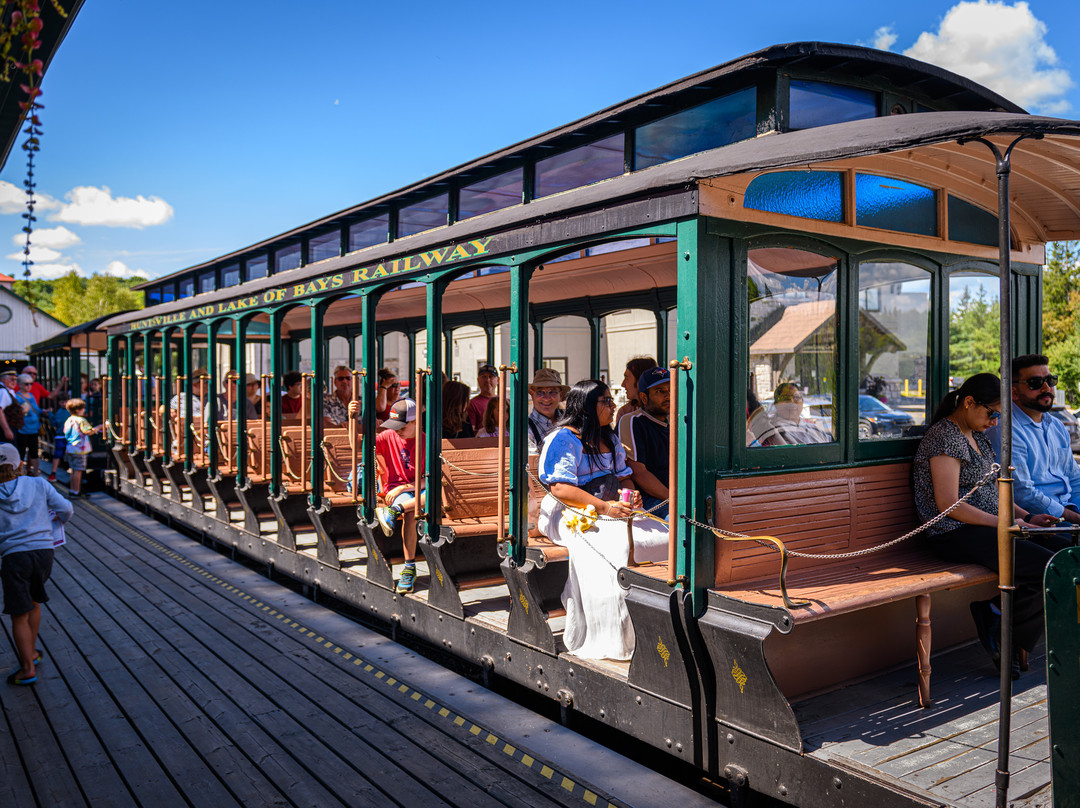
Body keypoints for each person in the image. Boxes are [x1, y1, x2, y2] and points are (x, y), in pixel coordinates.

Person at [913, 373, 1065, 679]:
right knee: (1050, 567)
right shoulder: (945, 438)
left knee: (1067, 555)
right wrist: (1004, 524)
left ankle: (995, 616)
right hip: (953, 533)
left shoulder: (976, 434)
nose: (994, 422)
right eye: (991, 414)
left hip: (988, 526)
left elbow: (992, 490)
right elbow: (949, 505)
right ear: (969, 402)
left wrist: (1025, 517)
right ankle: (998, 623)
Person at [537, 379, 668, 660]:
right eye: (606, 401)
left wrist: (631, 497)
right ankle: (613, 633)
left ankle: (653, 627)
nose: (613, 406)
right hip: (568, 510)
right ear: (586, 405)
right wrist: (604, 508)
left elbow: (624, 478)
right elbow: (560, 488)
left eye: (611, 400)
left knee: (661, 535)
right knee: (618, 545)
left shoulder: (609, 439)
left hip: (608, 506)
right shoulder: (562, 438)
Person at [0, 442, 72, 685]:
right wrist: (54, 521)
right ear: (19, 463)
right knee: (33, 601)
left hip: (14, 556)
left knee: (18, 615)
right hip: (43, 553)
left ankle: (27, 667)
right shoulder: (38, 483)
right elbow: (66, 509)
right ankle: (31, 651)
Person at [986, 355, 1080, 525]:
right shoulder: (1005, 429)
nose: (1046, 388)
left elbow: (1074, 478)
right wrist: (1073, 517)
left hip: (1069, 511)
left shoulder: (1056, 426)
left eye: (1050, 380)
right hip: (1038, 520)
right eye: (1035, 382)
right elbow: (1022, 493)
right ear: (1013, 392)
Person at [372, 399, 426, 594]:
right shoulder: (387, 436)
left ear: (415, 423)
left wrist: (404, 487)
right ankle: (409, 567)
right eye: (395, 426)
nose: (397, 431)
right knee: (411, 512)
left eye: (402, 426)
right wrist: (353, 420)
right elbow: (357, 446)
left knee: (433, 493)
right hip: (398, 491)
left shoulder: (425, 441)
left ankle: (393, 512)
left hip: (412, 490)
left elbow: (429, 480)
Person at [619, 366, 670, 519]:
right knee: (682, 521)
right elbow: (638, 472)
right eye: (660, 391)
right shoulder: (633, 421)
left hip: (673, 496)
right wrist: (674, 499)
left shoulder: (676, 422)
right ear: (644, 397)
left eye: (670, 390)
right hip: (647, 499)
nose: (668, 395)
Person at [749, 382, 831, 446]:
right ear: (776, 404)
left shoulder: (813, 428)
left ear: (802, 402)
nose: (791, 402)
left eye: (796, 397)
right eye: (785, 398)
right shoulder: (773, 430)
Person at [63, 398, 100, 498]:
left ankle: (72, 489)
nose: (84, 410)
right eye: (83, 409)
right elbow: (88, 431)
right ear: (77, 410)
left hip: (70, 448)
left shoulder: (69, 420)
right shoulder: (81, 420)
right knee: (78, 471)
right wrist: (99, 427)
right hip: (79, 450)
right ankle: (76, 491)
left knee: (73, 470)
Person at [527, 368, 568, 455]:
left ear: (560, 395)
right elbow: (532, 464)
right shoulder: (526, 429)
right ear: (532, 394)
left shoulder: (570, 420)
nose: (546, 398)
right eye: (540, 392)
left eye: (552, 392)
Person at [613, 357, 658, 427]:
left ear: (640, 381)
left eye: (627, 378)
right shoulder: (624, 412)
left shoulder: (666, 412)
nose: (622, 384)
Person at [13, 375, 43, 477]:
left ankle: (35, 472)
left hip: (34, 428)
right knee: (21, 452)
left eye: (31, 384)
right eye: (26, 384)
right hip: (23, 429)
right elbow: (18, 412)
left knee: (34, 451)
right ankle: (20, 473)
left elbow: (36, 409)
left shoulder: (31, 395)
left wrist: (45, 411)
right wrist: (23, 410)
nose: (29, 386)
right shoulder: (16, 397)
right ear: (20, 384)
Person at [466, 363, 498, 432]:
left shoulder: (505, 402)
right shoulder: (472, 404)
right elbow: (472, 431)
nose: (487, 380)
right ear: (478, 380)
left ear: (498, 380)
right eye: (484, 377)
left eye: (491, 377)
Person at [0, 369, 16, 443]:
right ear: (3, 379)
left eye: (16, 380)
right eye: (12, 379)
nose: (14, 382)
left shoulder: (8, 390)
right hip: (5, 428)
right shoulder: (3, 391)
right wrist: (7, 430)